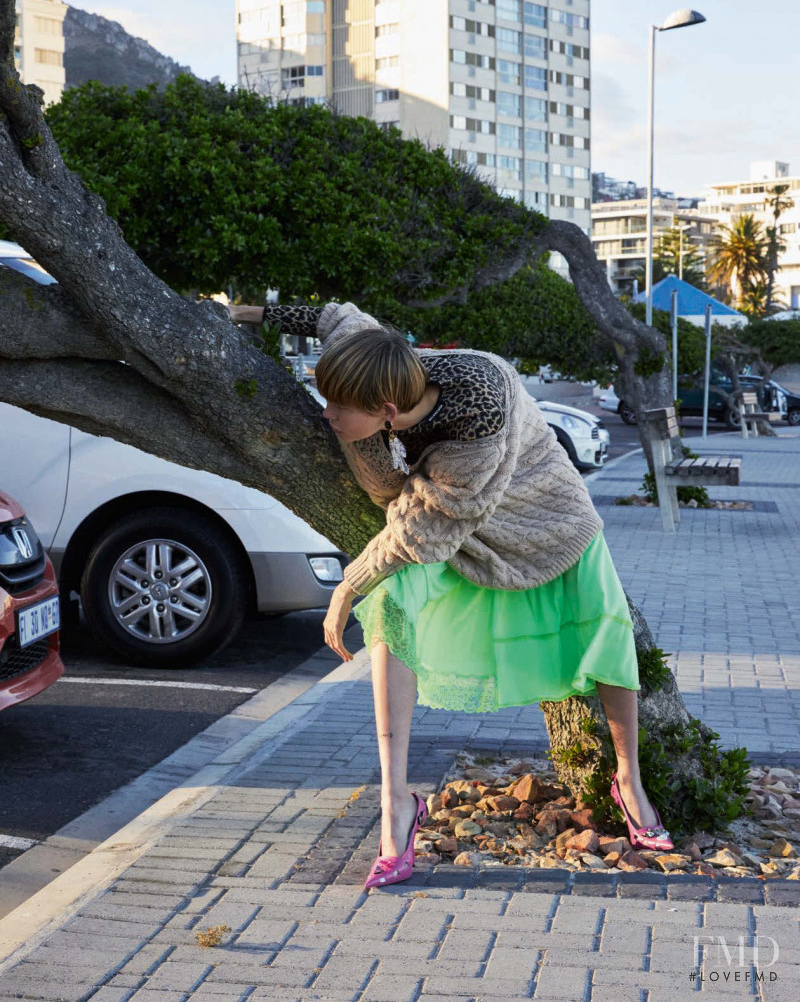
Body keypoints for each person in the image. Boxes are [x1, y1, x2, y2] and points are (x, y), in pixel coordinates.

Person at [230, 298, 674, 888]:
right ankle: (396, 803)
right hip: (448, 520)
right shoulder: (381, 358)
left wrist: (344, 589)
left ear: (388, 410)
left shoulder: (474, 433)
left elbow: (419, 534)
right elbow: (336, 314)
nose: (327, 414)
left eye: (339, 407)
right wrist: (249, 313)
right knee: (391, 609)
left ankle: (628, 779)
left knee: (606, 636)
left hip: (543, 518)